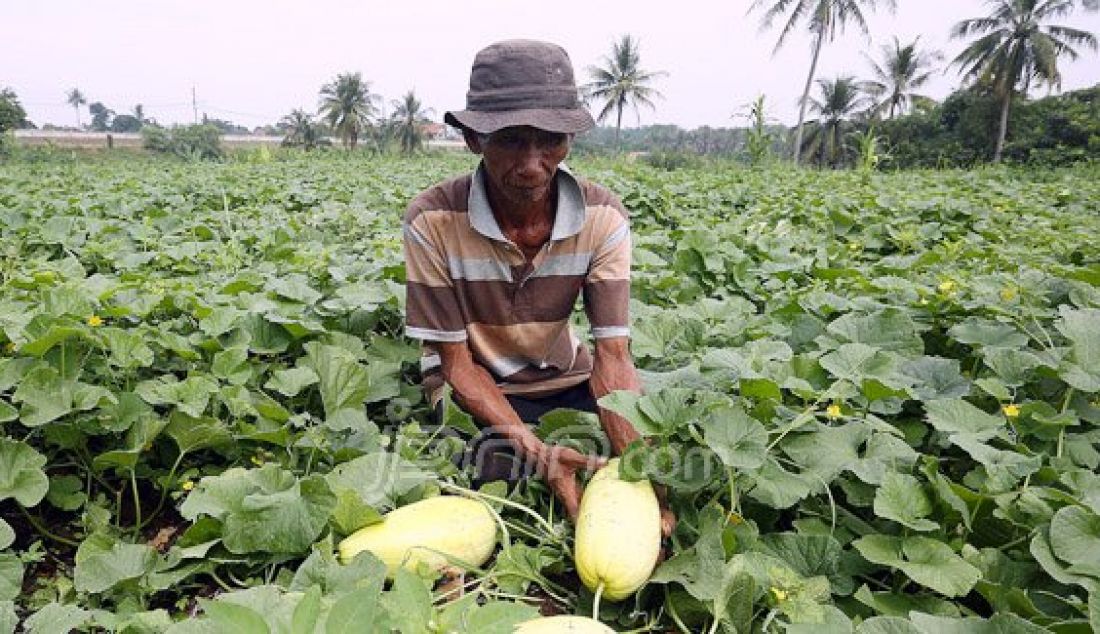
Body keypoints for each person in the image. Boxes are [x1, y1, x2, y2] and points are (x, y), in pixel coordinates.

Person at [402, 39, 672, 535]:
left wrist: (645, 487)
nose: (531, 164)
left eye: (550, 139)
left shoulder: (602, 217)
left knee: (655, 449)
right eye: (510, 140)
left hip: (563, 378)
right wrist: (537, 451)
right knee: (485, 466)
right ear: (473, 139)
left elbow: (613, 358)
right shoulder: (432, 219)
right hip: (474, 385)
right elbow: (456, 365)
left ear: (569, 137)